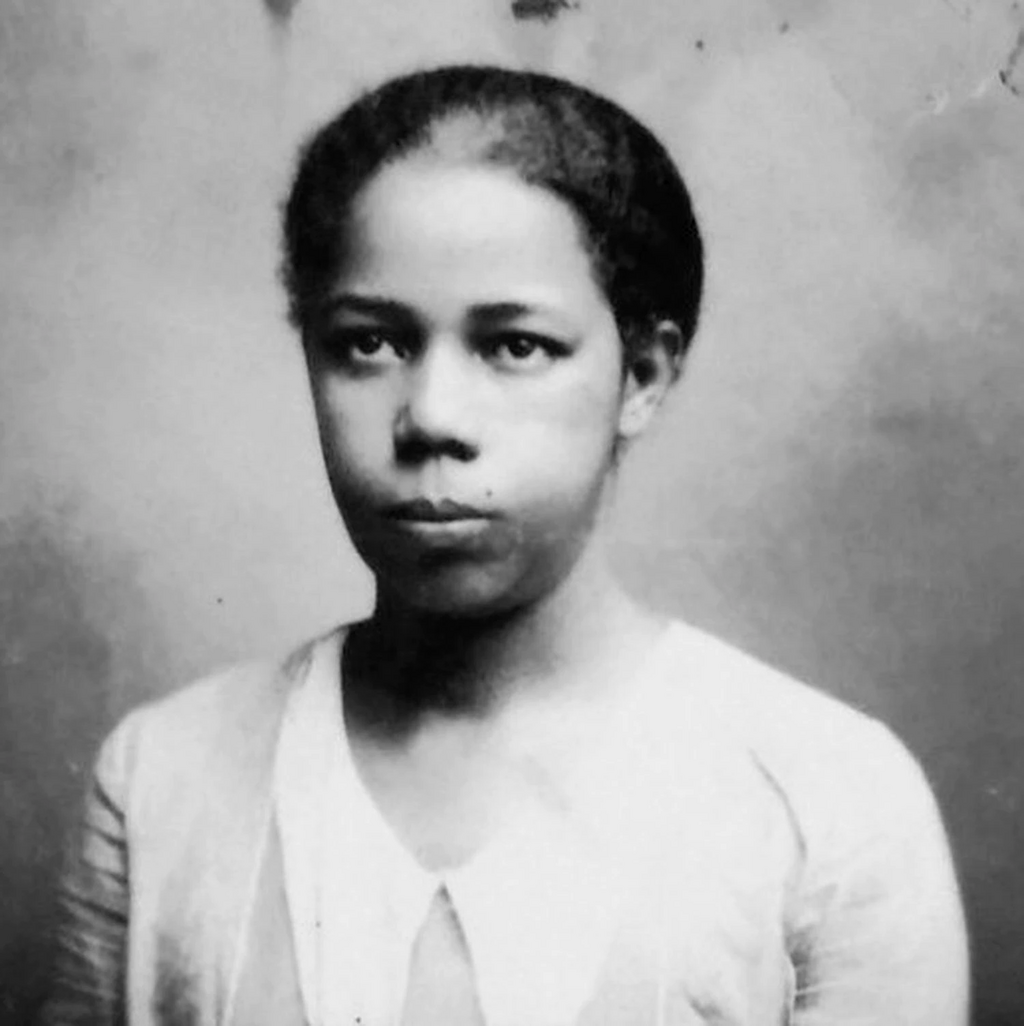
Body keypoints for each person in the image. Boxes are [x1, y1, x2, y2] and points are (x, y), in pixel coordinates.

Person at [42, 64, 969, 1025]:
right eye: (368, 343)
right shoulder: (160, 781)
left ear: (643, 376)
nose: (432, 418)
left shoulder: (830, 802)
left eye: (515, 346)